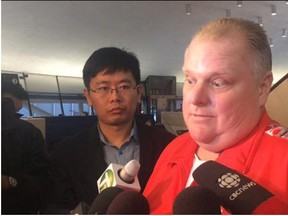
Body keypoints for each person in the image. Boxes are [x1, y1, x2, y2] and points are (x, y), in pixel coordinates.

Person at [143, 17, 288, 214]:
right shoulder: (174, 148)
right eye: (190, 80)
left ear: (262, 88)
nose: (195, 98)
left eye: (218, 82)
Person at [45, 47, 176, 213]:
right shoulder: (66, 153)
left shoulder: (169, 146)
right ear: (88, 96)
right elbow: (57, 208)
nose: (115, 97)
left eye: (124, 87)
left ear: (138, 92)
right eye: (103, 88)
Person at [1, 73, 51, 214]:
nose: (21, 105)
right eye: (21, 100)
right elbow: (43, 184)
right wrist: (11, 182)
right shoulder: (29, 132)